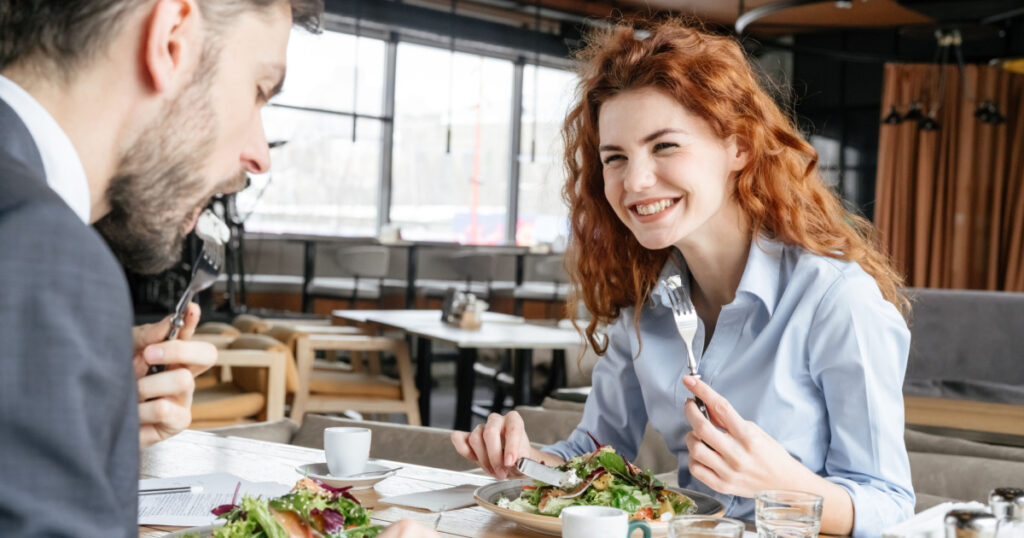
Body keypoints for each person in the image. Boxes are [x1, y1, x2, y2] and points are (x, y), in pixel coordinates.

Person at [452, 19, 914, 536]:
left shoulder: (835, 300)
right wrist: (521, 458)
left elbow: (891, 506)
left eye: (664, 146)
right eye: (615, 158)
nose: (635, 180)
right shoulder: (646, 305)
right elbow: (594, 457)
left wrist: (782, 483)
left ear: (738, 146)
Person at [0, 1, 437, 536]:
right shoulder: (40, 247)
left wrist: (82, 411)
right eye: (258, 90)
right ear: (171, 39)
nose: (260, 156)